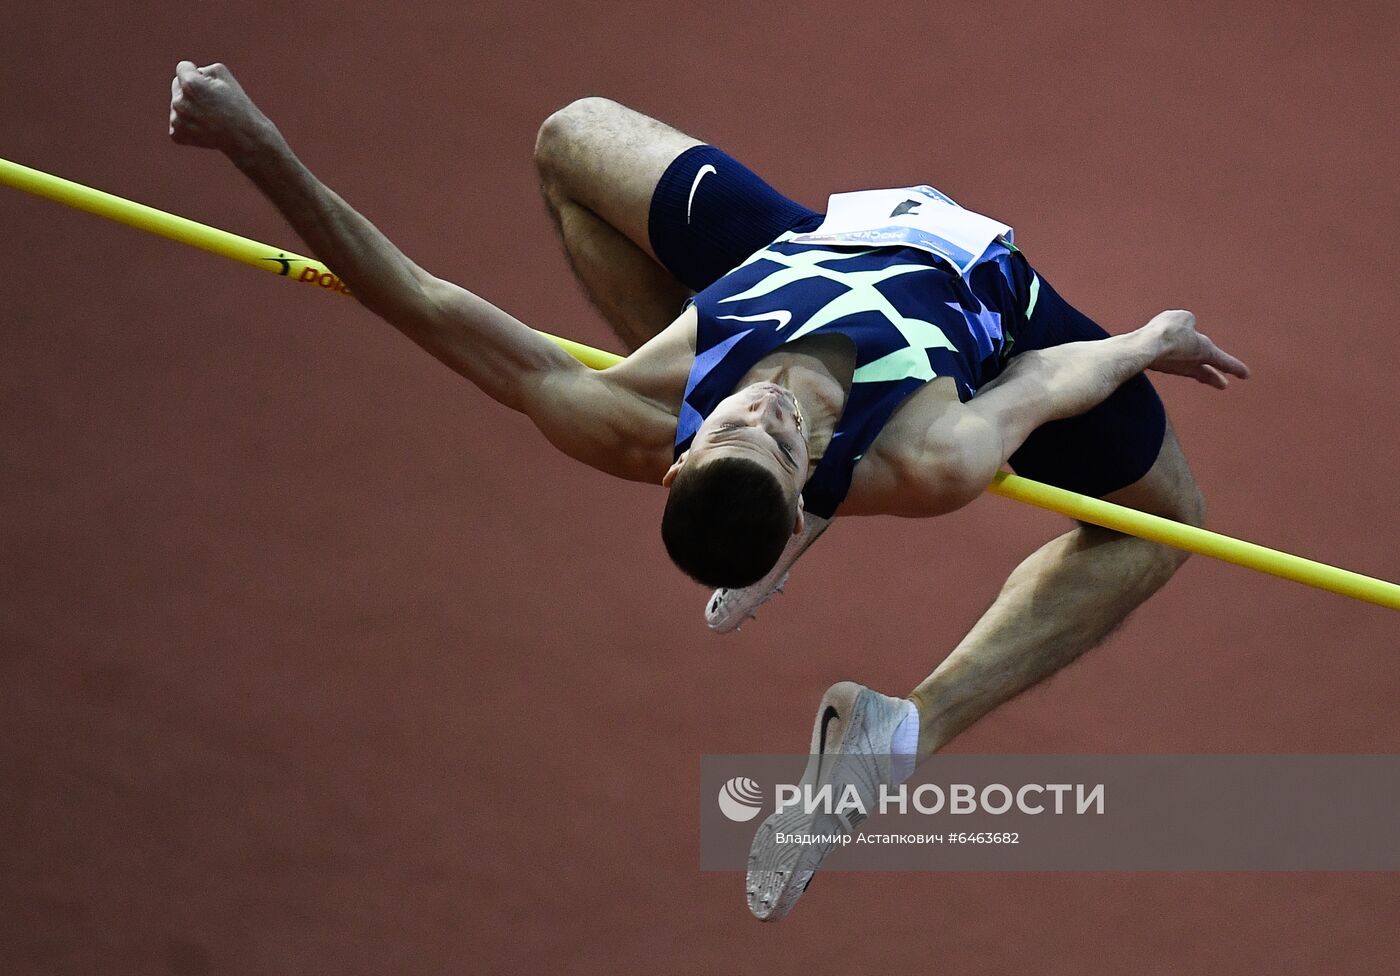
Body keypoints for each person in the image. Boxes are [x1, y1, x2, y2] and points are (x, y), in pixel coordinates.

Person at [168, 61, 1250, 921]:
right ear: (791, 484)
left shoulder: (635, 411)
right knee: (1163, 529)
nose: (762, 409)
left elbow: (409, 296)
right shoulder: (932, 454)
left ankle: (778, 524)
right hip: (987, 307)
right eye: (775, 439)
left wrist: (256, 147)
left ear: (679, 459)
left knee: (570, 140)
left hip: (803, 248)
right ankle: (900, 730)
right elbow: (1049, 377)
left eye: (737, 421)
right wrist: (1147, 338)